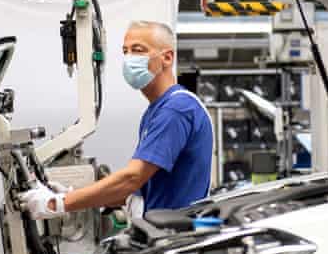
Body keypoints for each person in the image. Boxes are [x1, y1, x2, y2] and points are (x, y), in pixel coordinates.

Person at [18, 20, 213, 220]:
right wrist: (69, 195)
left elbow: (132, 178)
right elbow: (132, 191)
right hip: (159, 232)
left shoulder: (176, 109)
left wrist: (55, 204)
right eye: (125, 51)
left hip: (174, 239)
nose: (129, 58)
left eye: (138, 50)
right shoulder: (156, 111)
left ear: (167, 57)